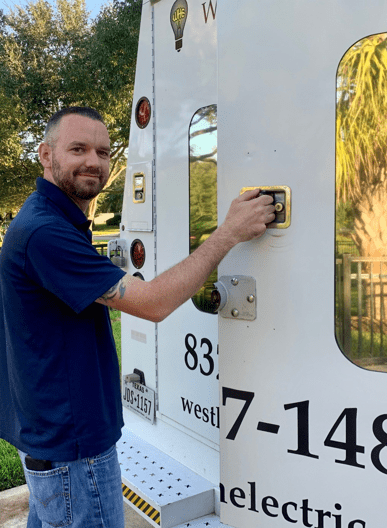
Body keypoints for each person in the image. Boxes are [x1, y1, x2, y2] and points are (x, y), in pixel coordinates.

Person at [0, 107, 275, 528]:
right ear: (46, 154)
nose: (93, 161)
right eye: (78, 148)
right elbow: (152, 303)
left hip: (50, 436)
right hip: (74, 447)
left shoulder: (49, 218)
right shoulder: (44, 232)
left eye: (103, 151)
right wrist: (229, 233)